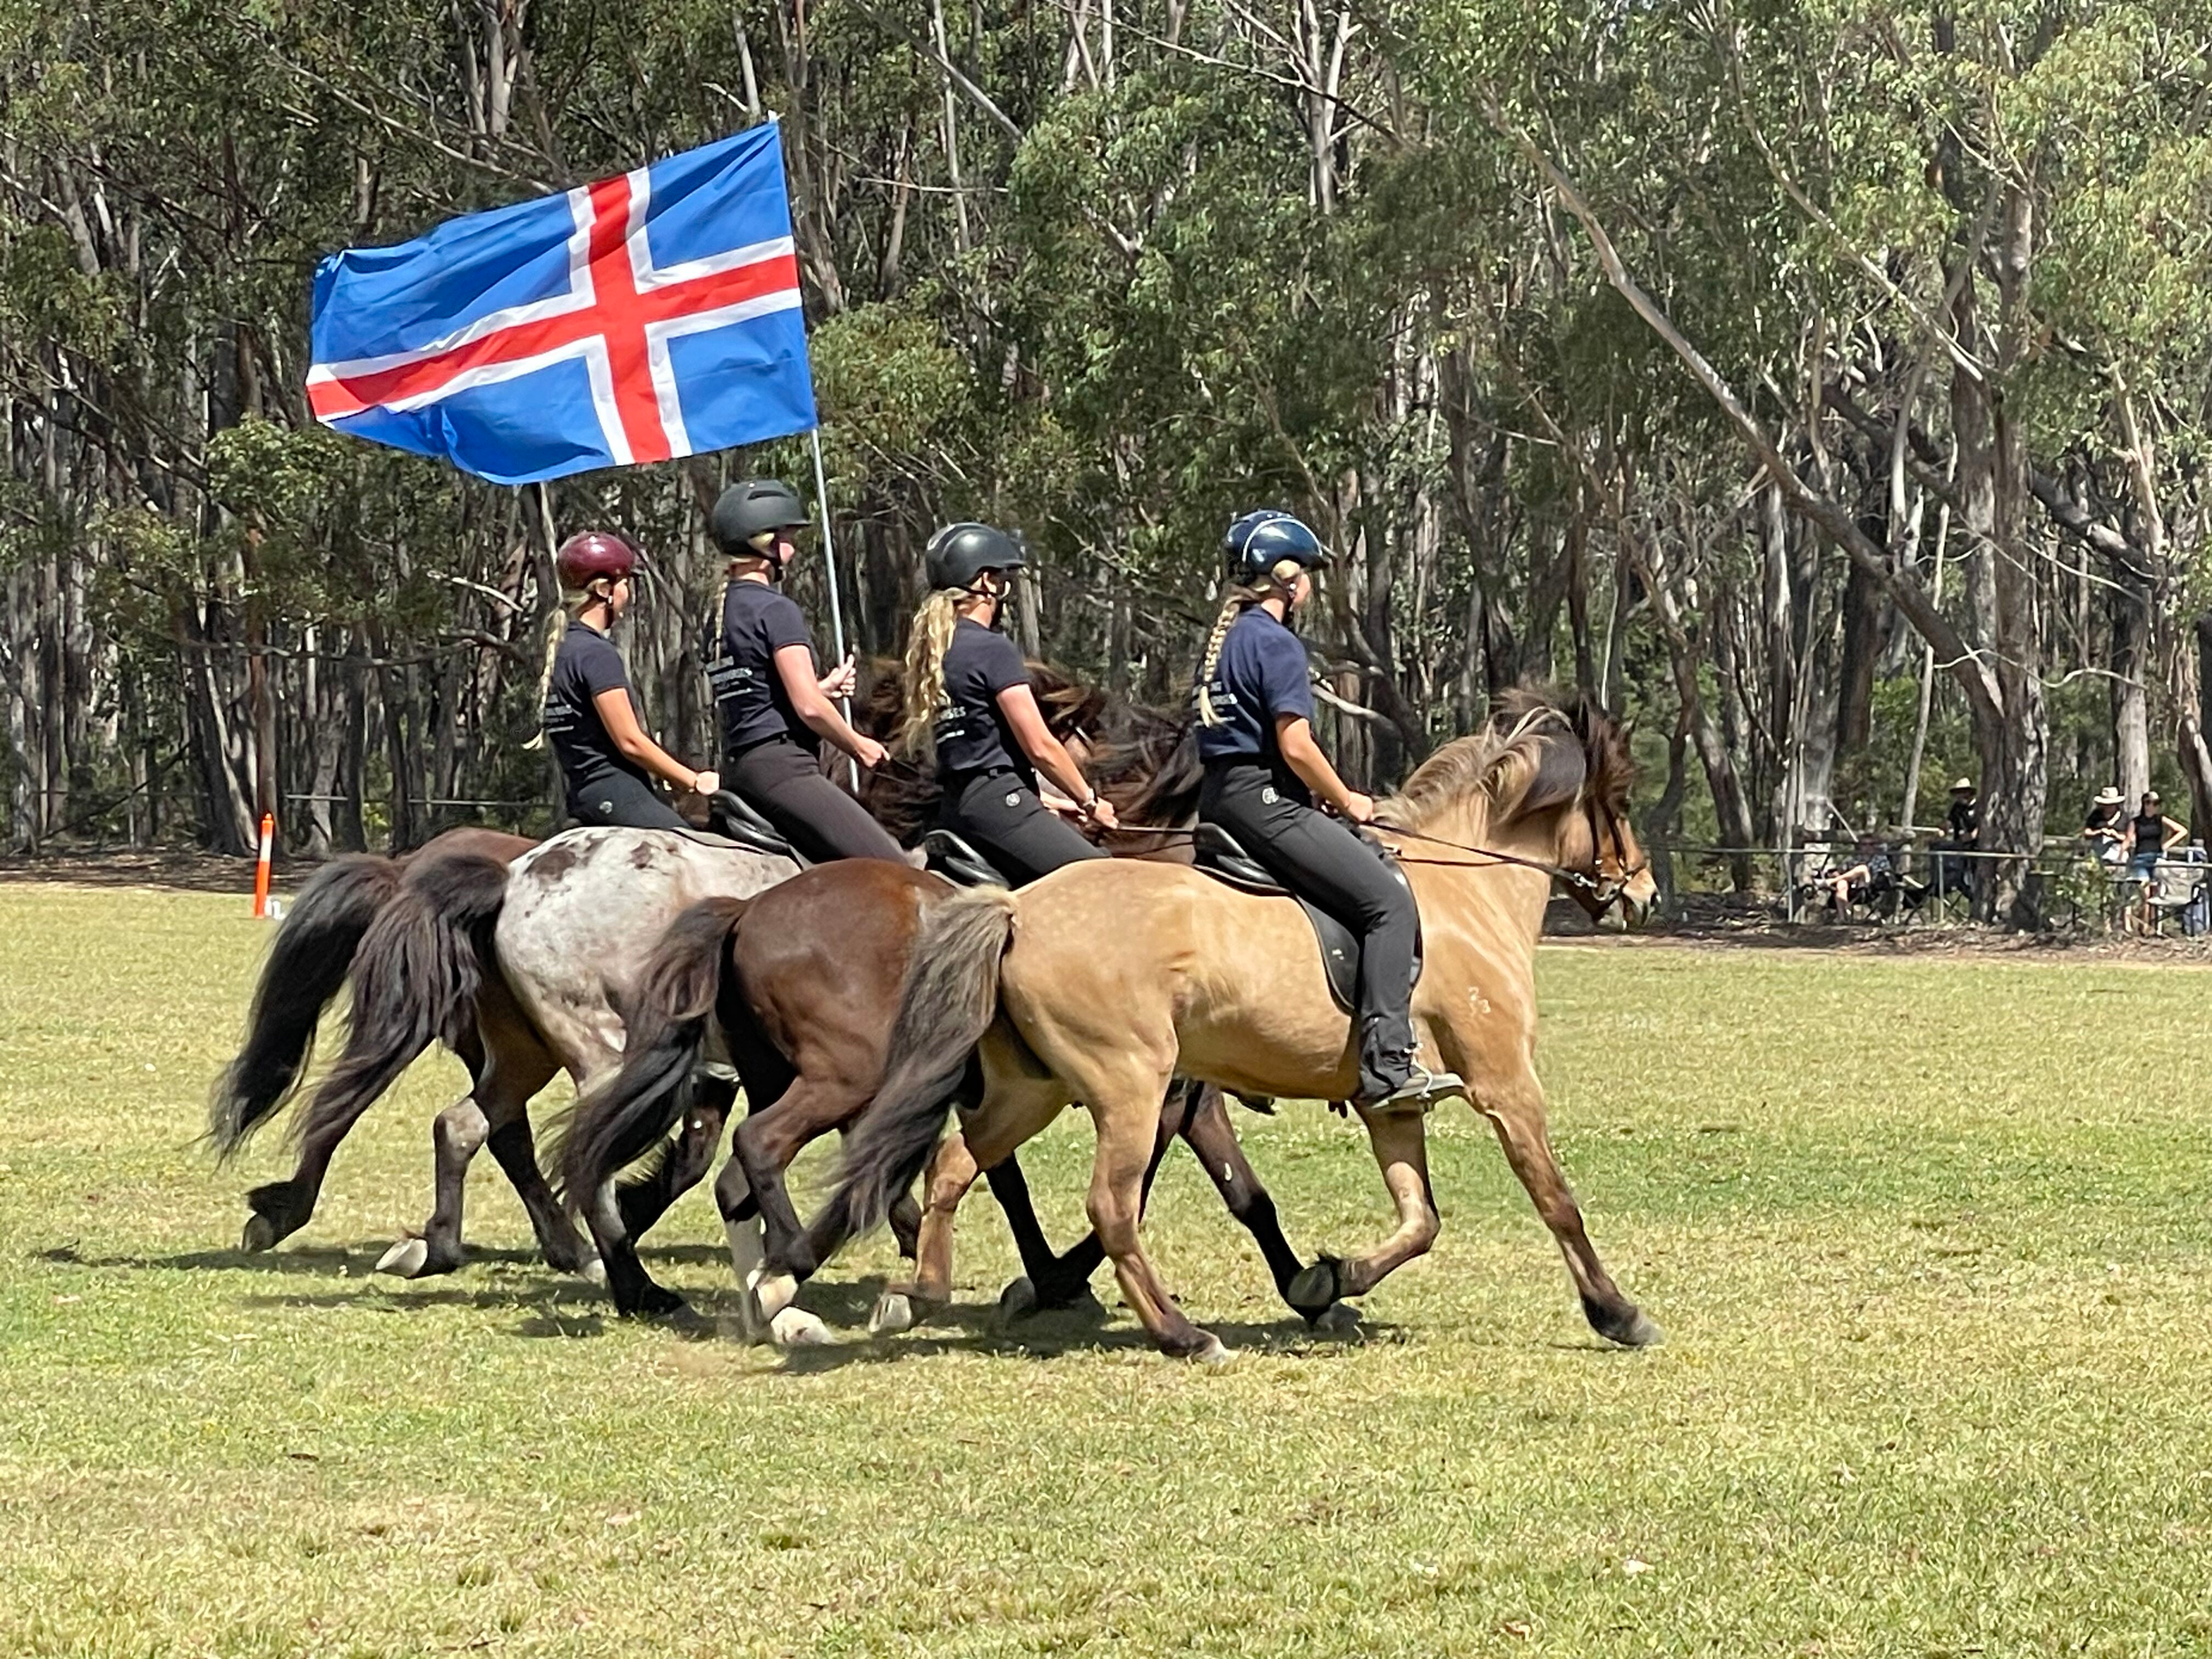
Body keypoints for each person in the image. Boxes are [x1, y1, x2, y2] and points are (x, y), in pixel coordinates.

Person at [1194, 509, 1461, 1113]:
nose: (1311, 582)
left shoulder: (1228, 640)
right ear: (1287, 579)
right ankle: (1388, 1064)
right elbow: (1295, 744)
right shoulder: (1275, 642)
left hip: (1224, 797)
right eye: (1307, 571)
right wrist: (1348, 799)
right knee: (1388, 901)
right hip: (1263, 802)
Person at [895, 522, 1118, 882]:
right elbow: (1041, 746)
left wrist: (1051, 803)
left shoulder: (936, 653)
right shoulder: (991, 648)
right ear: (984, 582)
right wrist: (1089, 801)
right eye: (1001, 578)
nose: (1004, 588)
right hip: (998, 807)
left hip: (954, 807)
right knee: (1104, 880)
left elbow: (977, 757)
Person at [702, 479, 905, 864]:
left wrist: (822, 686)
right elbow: (808, 708)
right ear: (765, 544)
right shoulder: (776, 609)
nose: (793, 549)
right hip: (783, 769)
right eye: (789, 537)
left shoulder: (716, 614)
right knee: (892, 867)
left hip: (739, 768)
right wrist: (857, 745)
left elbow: (758, 692)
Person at [538, 531, 718, 831]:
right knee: (699, 851)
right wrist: (693, 780)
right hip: (618, 793)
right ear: (605, 589)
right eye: (625, 584)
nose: (628, 593)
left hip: (580, 797)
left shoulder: (562, 650)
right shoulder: (596, 653)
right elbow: (630, 741)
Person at [1933, 777, 1977, 895]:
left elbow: (1983, 824)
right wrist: (1942, 831)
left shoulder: (1979, 806)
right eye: (1957, 793)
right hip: (1959, 846)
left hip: (1975, 848)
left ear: (1968, 792)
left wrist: (1973, 835)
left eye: (1962, 792)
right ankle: (1944, 882)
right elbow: (1949, 823)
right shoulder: (1957, 807)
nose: (1959, 796)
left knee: (1973, 878)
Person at [2084, 786, 2127, 866]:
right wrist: (2100, 831)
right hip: (2098, 850)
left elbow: (2130, 837)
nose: (2108, 807)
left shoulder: (2124, 817)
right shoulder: (2095, 815)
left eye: (2111, 804)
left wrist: (2115, 835)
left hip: (2117, 851)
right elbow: (2087, 832)